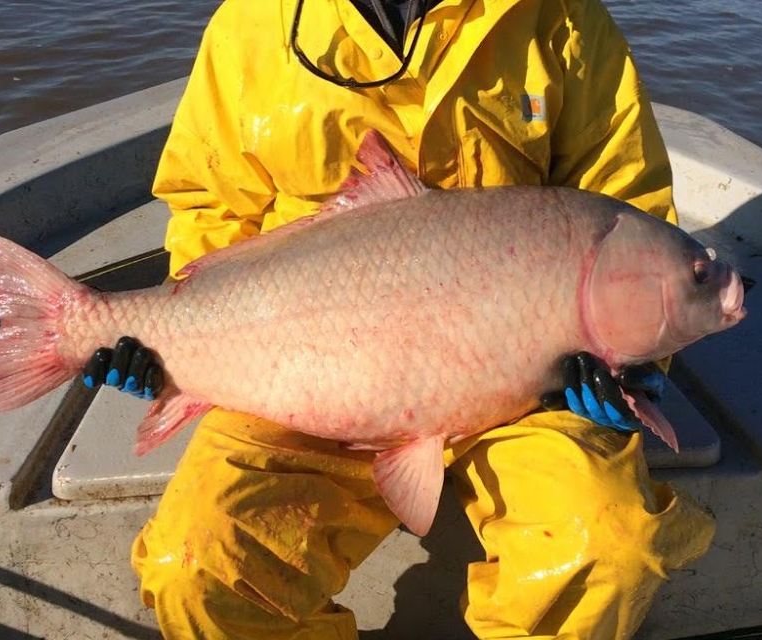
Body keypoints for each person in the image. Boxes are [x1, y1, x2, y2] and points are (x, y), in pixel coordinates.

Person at [105, 0, 716, 637]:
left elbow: (628, 217)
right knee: (196, 569)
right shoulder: (251, 24)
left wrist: (634, 360)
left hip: (528, 387)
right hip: (303, 373)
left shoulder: (561, 20)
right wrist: (174, 343)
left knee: (607, 549)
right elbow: (212, 211)